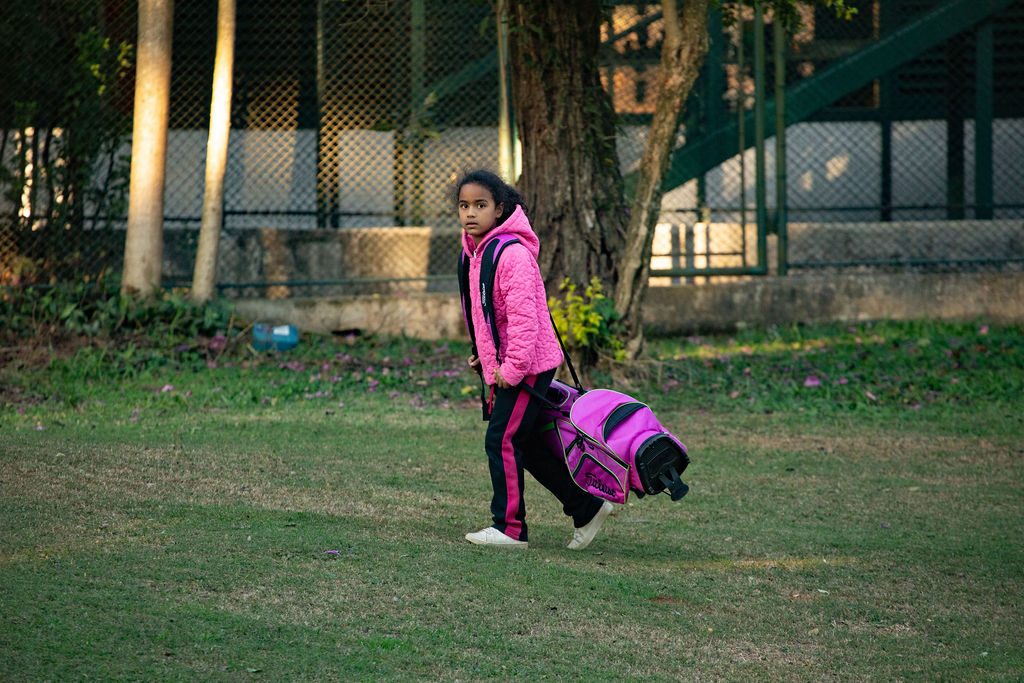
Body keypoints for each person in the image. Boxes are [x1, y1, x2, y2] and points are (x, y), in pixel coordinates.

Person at [453, 169, 614, 549]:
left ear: (500, 209)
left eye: (480, 205)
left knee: (502, 441)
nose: (471, 213)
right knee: (528, 445)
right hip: (507, 364)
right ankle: (587, 507)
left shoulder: (512, 254)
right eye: (464, 205)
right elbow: (484, 312)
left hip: (526, 367)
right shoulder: (473, 252)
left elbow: (525, 320)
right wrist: (483, 355)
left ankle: (509, 529)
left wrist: (510, 369)